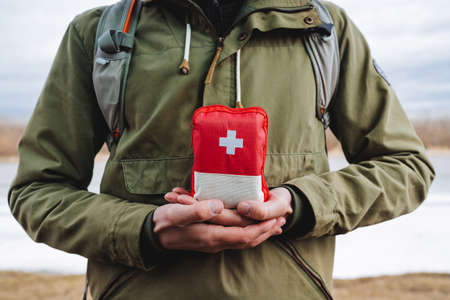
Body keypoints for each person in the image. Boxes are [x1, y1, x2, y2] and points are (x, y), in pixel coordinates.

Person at [9, 0, 435, 299]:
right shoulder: (101, 37)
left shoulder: (324, 31)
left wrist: (301, 203)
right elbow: (38, 192)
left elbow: (407, 168)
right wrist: (145, 228)